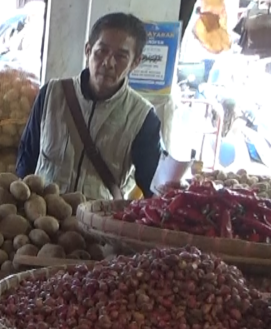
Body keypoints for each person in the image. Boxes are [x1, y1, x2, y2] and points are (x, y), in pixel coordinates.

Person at [16, 12, 162, 199]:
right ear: (88, 50)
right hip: (43, 219)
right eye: (102, 51)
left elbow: (152, 185)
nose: (108, 63)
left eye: (121, 56)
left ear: (135, 62)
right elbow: (27, 157)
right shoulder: (52, 94)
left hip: (100, 223)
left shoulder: (143, 117)